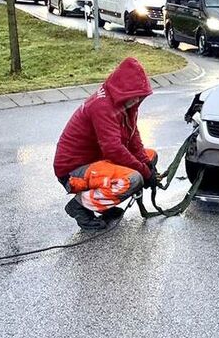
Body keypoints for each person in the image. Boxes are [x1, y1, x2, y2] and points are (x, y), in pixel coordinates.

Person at [53, 58, 162, 230]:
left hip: (99, 161)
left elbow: (133, 138)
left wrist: (147, 165)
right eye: (135, 96)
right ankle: (80, 206)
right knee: (133, 179)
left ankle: (104, 205)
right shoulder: (102, 106)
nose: (137, 100)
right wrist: (144, 172)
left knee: (151, 156)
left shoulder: (126, 104)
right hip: (74, 170)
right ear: (124, 90)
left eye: (140, 96)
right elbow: (114, 149)